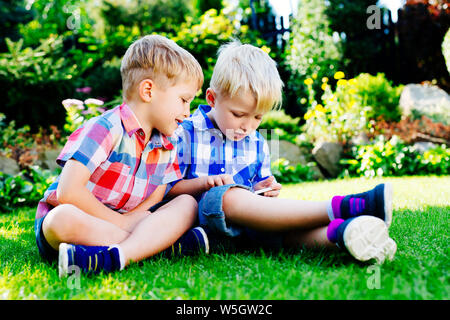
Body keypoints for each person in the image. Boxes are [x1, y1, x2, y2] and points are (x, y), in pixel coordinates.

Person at [167, 41, 397, 264]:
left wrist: (264, 190)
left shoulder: (255, 142)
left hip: (246, 229)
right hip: (200, 218)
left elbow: (257, 190)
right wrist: (206, 183)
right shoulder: (186, 132)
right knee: (224, 196)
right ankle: (341, 207)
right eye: (238, 114)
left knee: (281, 232)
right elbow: (165, 190)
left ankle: (346, 234)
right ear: (212, 98)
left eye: (258, 117)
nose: (247, 126)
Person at [34, 35, 209, 277]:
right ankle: (161, 247)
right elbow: (68, 192)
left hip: (126, 221)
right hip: (83, 219)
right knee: (59, 221)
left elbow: (158, 190)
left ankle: (114, 255)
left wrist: (136, 217)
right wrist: (124, 224)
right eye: (183, 100)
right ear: (148, 90)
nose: (187, 112)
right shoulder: (105, 128)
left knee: (187, 204)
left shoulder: (168, 142)